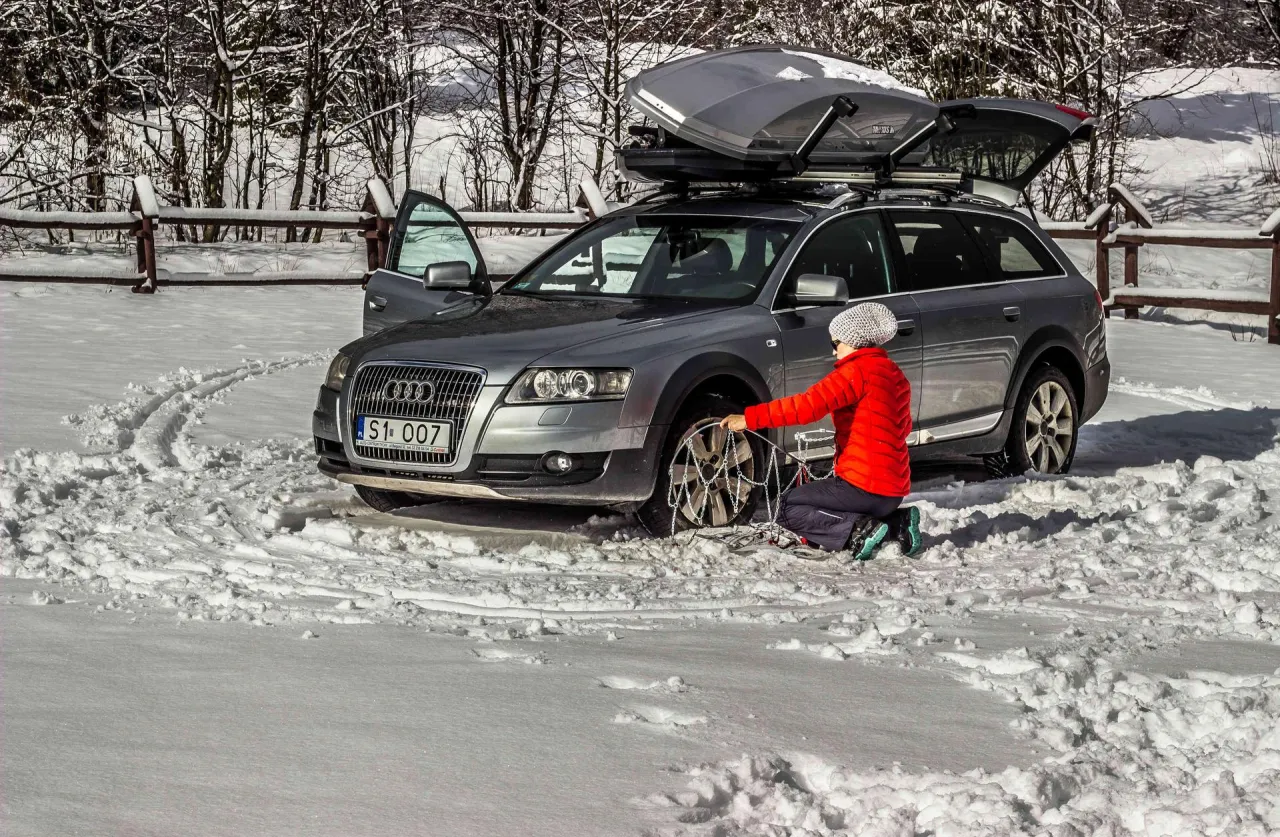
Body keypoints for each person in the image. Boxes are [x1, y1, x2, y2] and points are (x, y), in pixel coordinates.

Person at [720, 302, 922, 560]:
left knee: (788, 505)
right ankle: (897, 523)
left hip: (862, 487)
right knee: (827, 498)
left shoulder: (854, 372)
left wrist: (749, 418)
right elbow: (902, 427)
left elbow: (805, 407)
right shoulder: (895, 374)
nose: (834, 352)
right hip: (893, 492)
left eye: (835, 344)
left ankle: (857, 530)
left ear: (853, 341)